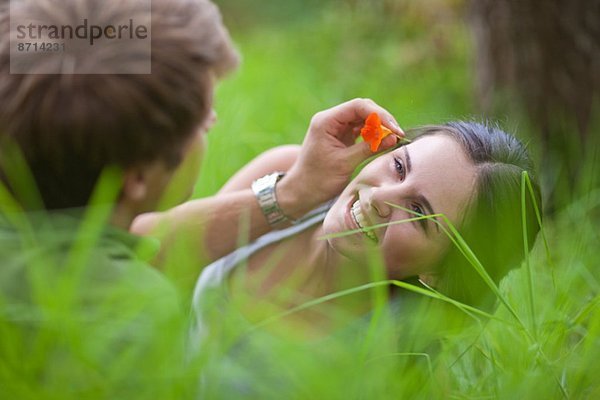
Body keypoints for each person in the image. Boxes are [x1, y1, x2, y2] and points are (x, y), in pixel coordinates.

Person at [0, 0, 402, 394]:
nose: (213, 120)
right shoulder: (132, 312)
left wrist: (292, 193)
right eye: (202, 123)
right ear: (138, 177)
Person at [141, 121, 541, 332]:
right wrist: (291, 195)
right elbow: (135, 251)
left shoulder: (392, 353)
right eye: (399, 166)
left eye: (419, 213)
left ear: (437, 272)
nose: (380, 198)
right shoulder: (286, 173)